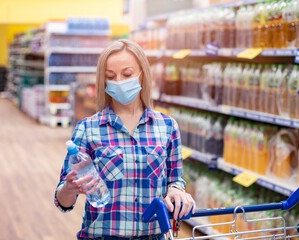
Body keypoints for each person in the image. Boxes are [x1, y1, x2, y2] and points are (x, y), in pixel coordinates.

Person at [54, 39, 196, 240]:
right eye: (111, 76)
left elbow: (176, 179)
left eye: (127, 74)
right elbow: (63, 202)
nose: (119, 81)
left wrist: (176, 190)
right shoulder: (88, 129)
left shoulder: (167, 126)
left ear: (142, 75)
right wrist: (69, 188)